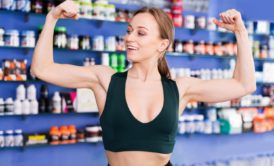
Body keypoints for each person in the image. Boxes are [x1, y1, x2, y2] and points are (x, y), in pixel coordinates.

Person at [31, 0, 256, 166]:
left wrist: (240, 33)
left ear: (162, 44)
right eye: (129, 31)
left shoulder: (181, 89)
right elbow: (42, 69)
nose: (129, 38)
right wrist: (52, 17)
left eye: (141, 33)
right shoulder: (105, 80)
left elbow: (244, 84)